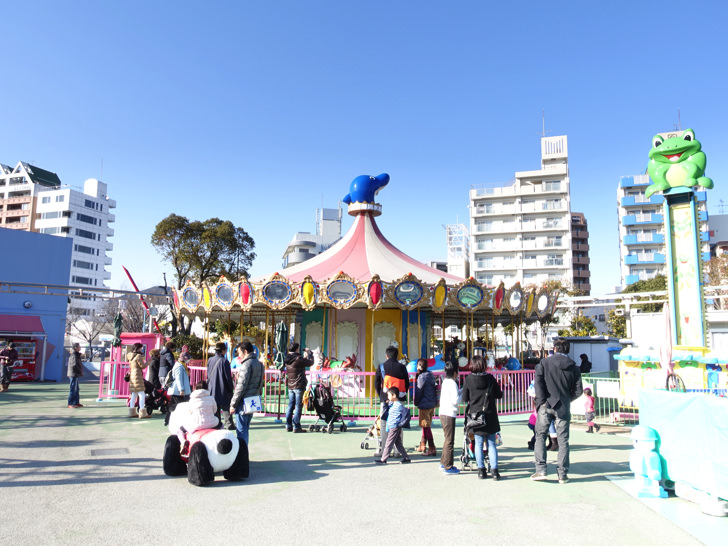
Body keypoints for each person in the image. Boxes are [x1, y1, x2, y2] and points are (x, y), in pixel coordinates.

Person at [531, 338, 583, 484]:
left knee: (540, 435)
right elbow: (578, 391)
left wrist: (541, 401)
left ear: (554, 349)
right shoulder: (573, 367)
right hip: (563, 406)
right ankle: (562, 474)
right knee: (563, 440)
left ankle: (541, 470)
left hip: (546, 404)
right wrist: (566, 399)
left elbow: (538, 383)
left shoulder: (544, 363)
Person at [462, 355, 503, 480]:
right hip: (490, 415)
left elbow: (465, 398)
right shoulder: (490, 379)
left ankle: (481, 470)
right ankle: (495, 471)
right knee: (491, 444)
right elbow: (499, 394)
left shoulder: (468, 379)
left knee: (478, 444)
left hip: (476, 417)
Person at [229, 341, 265, 448]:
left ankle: (242, 455)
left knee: (241, 430)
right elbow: (260, 384)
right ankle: (244, 453)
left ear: (245, 351)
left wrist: (233, 404)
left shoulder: (246, 365)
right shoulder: (259, 364)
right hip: (253, 399)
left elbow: (241, 386)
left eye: (239, 352)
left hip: (243, 401)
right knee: (246, 427)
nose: (238, 355)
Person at [375, 387, 412, 465]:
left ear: (394, 395)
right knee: (398, 443)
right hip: (393, 426)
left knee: (389, 443)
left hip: (394, 427)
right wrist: (386, 403)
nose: (388, 397)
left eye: (389, 395)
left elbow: (402, 413)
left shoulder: (398, 405)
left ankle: (383, 459)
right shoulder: (393, 404)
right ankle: (406, 457)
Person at [284, 342, 313, 433]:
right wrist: (310, 354)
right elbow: (310, 363)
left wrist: (304, 357)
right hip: (299, 385)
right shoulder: (298, 359)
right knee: (298, 406)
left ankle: (288, 425)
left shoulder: (287, 359)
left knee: (290, 405)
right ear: (296, 349)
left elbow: (299, 364)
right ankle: (296, 426)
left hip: (291, 385)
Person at [439, 361, 460, 475]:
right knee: (450, 441)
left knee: (447, 439)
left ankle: (444, 462)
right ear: (455, 372)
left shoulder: (445, 382)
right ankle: (448, 466)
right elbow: (455, 400)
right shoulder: (453, 383)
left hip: (443, 412)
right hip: (449, 413)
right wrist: (463, 395)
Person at [207, 342, 234, 429]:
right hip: (223, 388)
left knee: (215, 408)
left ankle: (216, 423)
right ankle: (229, 424)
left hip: (212, 387)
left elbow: (208, 374)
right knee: (226, 407)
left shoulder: (210, 360)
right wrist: (230, 388)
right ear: (223, 350)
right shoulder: (224, 361)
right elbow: (227, 377)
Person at [414, 358, 437, 456]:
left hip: (424, 404)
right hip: (431, 402)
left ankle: (432, 447)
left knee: (426, 426)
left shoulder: (421, 377)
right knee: (425, 425)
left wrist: (416, 401)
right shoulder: (430, 375)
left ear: (419, 366)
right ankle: (422, 444)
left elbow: (419, 391)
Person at [166, 349, 191, 426]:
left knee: (173, 405)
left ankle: (167, 420)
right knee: (179, 406)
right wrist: (181, 389)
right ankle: (170, 420)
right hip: (178, 390)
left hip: (177, 390)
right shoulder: (179, 366)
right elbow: (178, 378)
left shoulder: (180, 365)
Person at [127, 342, 150, 419]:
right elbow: (142, 366)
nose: (142, 349)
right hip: (138, 376)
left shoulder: (130, 355)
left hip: (132, 375)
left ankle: (131, 412)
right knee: (142, 394)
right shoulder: (138, 356)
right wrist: (148, 362)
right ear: (138, 348)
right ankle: (142, 412)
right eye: (141, 348)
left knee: (134, 395)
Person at [67, 342, 83, 408]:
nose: (80, 348)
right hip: (73, 374)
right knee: (73, 389)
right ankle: (70, 403)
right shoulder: (74, 355)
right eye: (79, 347)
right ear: (75, 348)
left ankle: (76, 402)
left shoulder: (76, 355)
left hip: (75, 374)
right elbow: (74, 365)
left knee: (76, 389)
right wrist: (79, 371)